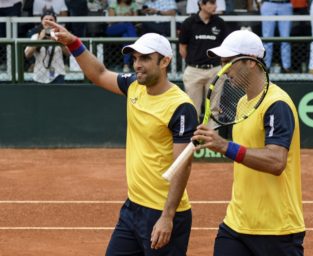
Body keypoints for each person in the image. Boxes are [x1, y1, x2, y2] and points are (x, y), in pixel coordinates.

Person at [45, 19, 198, 254]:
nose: (137, 64)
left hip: (164, 212)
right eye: (135, 58)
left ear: (165, 61)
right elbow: (99, 73)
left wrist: (167, 217)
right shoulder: (134, 85)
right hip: (133, 208)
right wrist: (73, 43)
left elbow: (182, 166)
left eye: (145, 58)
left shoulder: (180, 107)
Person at [192, 30, 305, 255]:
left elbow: (276, 161)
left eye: (228, 62)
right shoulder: (242, 102)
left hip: (277, 228)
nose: (223, 70)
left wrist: (225, 146)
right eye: (221, 63)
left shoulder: (277, 103)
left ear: (251, 62)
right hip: (236, 223)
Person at [179, 0, 227, 117]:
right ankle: (193, 136)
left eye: (215, 3)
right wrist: (193, 63)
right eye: (211, 3)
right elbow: (182, 48)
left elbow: (225, 47)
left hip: (215, 70)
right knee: (192, 110)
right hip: (193, 71)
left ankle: (211, 136)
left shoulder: (220, 23)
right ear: (201, 4)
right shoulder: (188, 23)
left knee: (213, 111)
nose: (215, 6)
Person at [24, 11, 69, 84]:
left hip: (57, 74)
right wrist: (39, 40)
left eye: (51, 20)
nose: (48, 22)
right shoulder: (35, 36)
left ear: (55, 23)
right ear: (41, 22)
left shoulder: (61, 35)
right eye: (46, 20)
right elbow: (27, 54)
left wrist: (59, 41)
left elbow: (69, 53)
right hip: (39, 76)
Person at [260, 0, 293, 73]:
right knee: (267, 38)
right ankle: (266, 66)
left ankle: (286, 67)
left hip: (285, 4)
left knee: (286, 38)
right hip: (269, 3)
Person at [106, 0, 138, 73]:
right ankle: (136, 46)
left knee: (126, 36)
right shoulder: (113, 3)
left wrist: (130, 16)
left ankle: (126, 65)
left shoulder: (133, 4)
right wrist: (124, 17)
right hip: (114, 28)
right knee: (128, 25)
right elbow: (111, 20)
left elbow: (136, 20)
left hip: (127, 30)